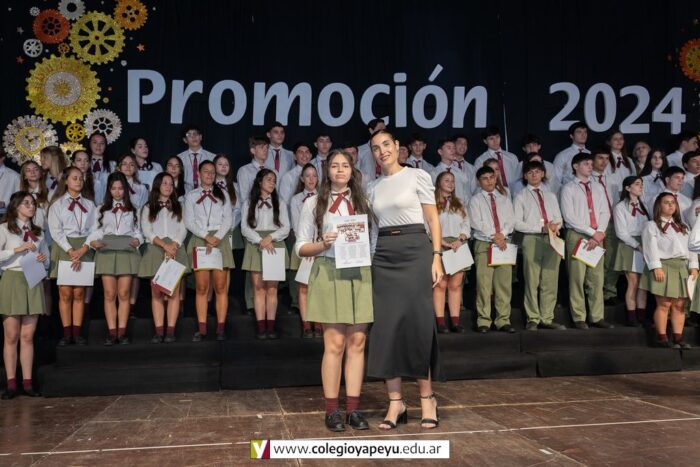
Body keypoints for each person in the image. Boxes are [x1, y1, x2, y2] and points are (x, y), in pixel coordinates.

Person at [366, 129, 443, 430]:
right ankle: (395, 402)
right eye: (376, 147)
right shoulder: (371, 187)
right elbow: (374, 228)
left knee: (418, 326)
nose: (382, 150)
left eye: (386, 144)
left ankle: (427, 399)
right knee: (386, 330)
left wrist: (436, 256)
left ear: (398, 146)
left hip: (415, 251)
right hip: (385, 256)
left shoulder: (417, 176)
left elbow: (433, 219)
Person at [296, 149, 375, 432]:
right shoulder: (313, 203)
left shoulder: (364, 201)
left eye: (345, 165)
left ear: (352, 171)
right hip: (329, 271)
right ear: (327, 170)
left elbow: (374, 240)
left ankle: (353, 409)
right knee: (334, 344)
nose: (340, 170)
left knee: (358, 342)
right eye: (334, 165)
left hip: (359, 272)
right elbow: (301, 246)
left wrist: (367, 258)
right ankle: (332, 410)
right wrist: (322, 244)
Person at [0, 192, 50, 399]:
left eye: (33, 203)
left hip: (33, 279)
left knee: (28, 336)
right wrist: (17, 250)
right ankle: (11, 383)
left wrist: (42, 259)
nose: (31, 206)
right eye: (26, 203)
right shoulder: (4, 229)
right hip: (13, 279)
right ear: (16, 206)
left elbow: (47, 261)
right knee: (11, 335)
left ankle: (28, 383)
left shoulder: (38, 232)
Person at [560, 153, 614, 329]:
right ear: (575, 166)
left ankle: (597, 316)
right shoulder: (569, 188)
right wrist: (592, 232)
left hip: (597, 236)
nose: (590, 166)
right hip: (578, 234)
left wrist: (600, 232)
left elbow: (605, 211)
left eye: (591, 163)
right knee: (577, 277)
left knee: (597, 278)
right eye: (586, 164)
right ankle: (579, 317)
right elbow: (569, 216)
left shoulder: (598, 187)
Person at [88, 172, 142, 346]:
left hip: (126, 249)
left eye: (120, 188)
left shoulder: (134, 208)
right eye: (114, 188)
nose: (117, 192)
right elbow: (96, 230)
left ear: (125, 189)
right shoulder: (101, 208)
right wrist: (93, 242)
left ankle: (122, 332)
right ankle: (112, 333)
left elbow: (138, 232)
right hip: (107, 249)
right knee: (110, 293)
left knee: (124, 293)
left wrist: (138, 240)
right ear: (109, 190)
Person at [184, 160, 234, 342]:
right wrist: (206, 236)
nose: (210, 175)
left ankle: (220, 328)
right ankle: (202, 328)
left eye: (212, 172)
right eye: (206, 171)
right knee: (202, 287)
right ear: (198, 174)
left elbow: (228, 219)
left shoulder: (223, 194)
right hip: (201, 239)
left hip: (220, 239)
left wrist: (217, 237)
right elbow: (189, 221)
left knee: (220, 286)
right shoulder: (191, 196)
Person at [513, 160, 566, 330]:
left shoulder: (550, 196)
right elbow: (517, 223)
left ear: (543, 174)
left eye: (537, 171)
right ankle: (533, 318)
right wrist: (540, 228)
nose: (534, 175)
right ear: (525, 176)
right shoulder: (521, 196)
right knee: (532, 280)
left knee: (550, 280)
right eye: (530, 172)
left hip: (552, 238)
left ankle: (547, 318)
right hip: (532, 238)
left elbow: (559, 218)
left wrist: (555, 226)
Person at [47, 166, 96, 345]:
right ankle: (67, 333)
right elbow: (55, 231)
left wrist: (84, 248)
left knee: (79, 292)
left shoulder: (90, 204)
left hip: (84, 247)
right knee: (66, 293)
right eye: (74, 178)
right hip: (64, 246)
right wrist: (70, 250)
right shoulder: (58, 205)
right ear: (66, 181)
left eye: (81, 178)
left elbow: (95, 229)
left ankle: (77, 332)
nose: (78, 181)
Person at [642, 193, 698, 348]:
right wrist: (656, 267)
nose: (671, 205)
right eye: (666, 202)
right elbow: (650, 247)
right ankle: (662, 338)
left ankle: (678, 338)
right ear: (659, 206)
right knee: (664, 304)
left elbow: (692, 248)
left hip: (682, 267)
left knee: (679, 305)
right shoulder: (652, 225)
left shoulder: (683, 226)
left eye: (673, 202)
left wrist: (694, 266)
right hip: (664, 265)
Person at [139, 173, 189, 343]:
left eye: (171, 184)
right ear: (158, 185)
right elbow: (147, 230)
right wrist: (164, 245)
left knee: (173, 291)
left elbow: (183, 228)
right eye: (164, 183)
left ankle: (170, 331)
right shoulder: (148, 207)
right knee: (156, 292)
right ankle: (159, 330)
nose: (168, 186)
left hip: (175, 248)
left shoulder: (179, 206)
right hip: (156, 248)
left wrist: (173, 244)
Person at [241, 169, 290, 339]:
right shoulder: (249, 202)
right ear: (259, 181)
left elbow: (286, 227)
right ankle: (261, 327)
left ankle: (271, 326)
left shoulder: (280, 202)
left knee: (272, 289)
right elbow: (244, 228)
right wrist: (259, 240)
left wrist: (270, 237)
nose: (272, 183)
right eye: (269, 179)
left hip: (274, 244)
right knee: (258, 288)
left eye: (274, 180)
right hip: (256, 245)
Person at [469, 166, 516, 333]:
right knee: (484, 284)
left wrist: (502, 235)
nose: (489, 181)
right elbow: (476, 222)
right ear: (479, 182)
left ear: (496, 178)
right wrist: (494, 236)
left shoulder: (504, 199)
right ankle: (484, 320)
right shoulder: (475, 200)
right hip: (485, 243)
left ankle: (503, 320)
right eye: (485, 178)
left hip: (504, 243)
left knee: (504, 284)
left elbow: (511, 220)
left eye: (491, 177)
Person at [432, 171, 470, 334]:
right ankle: (440, 322)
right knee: (441, 284)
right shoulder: (432, 203)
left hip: (457, 245)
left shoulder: (459, 203)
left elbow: (466, 224)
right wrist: (441, 241)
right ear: (439, 183)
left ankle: (455, 321)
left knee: (455, 284)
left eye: (452, 181)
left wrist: (460, 239)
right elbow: (428, 224)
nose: (450, 183)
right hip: (439, 244)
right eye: (446, 180)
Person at [288, 163, 320, 338]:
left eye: (314, 175)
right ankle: (306, 324)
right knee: (304, 287)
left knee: (319, 286)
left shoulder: (324, 197)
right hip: (305, 246)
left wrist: (318, 246)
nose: (311, 179)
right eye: (307, 176)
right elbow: (297, 225)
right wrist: (308, 248)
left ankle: (319, 322)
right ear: (302, 179)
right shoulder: (295, 200)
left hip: (321, 247)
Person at [613, 176, 650, 326]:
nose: (640, 187)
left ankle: (642, 316)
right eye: (637, 184)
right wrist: (637, 245)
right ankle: (632, 316)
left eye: (641, 184)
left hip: (645, 243)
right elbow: (621, 233)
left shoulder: (644, 204)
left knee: (643, 284)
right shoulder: (620, 207)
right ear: (627, 188)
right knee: (633, 282)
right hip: (630, 245)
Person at [591, 147, 621, 305]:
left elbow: (616, 202)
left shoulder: (612, 180)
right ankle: (594, 292)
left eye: (606, 158)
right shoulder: (588, 180)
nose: (604, 161)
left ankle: (610, 291)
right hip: (596, 225)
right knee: (595, 259)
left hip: (612, 223)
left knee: (611, 258)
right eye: (600, 158)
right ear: (592, 160)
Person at [177, 125, 215, 192]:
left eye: (196, 134)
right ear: (185, 140)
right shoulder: (179, 158)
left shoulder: (212, 157)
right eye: (189, 135)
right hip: (185, 193)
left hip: (208, 192)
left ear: (200, 137)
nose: (193, 137)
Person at [431, 138, 470, 203]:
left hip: (459, 206)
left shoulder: (460, 172)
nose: (453, 151)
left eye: (454, 148)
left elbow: (466, 193)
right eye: (449, 148)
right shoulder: (434, 173)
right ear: (440, 152)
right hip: (441, 206)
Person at [552, 121, 590, 186]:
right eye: (579, 132)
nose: (583, 135)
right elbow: (556, 180)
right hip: (569, 190)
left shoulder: (591, 154)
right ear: (571, 136)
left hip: (589, 190)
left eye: (585, 132)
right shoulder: (562, 155)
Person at [237, 135, 270, 204]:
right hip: (251, 208)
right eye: (262, 147)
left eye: (267, 147)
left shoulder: (272, 171)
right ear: (253, 150)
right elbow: (244, 198)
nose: (265, 150)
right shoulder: (244, 171)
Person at [0, 150, 20, 219]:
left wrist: (4, 204)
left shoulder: (14, 176)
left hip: (5, 216)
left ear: (3, 157)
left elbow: (20, 199)